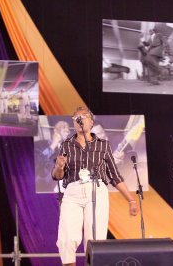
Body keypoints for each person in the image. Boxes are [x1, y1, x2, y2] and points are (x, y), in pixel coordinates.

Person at [52, 107, 139, 266]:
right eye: (76, 117)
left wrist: (131, 200)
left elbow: (114, 175)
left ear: (91, 122)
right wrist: (59, 167)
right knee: (66, 238)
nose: (79, 119)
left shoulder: (103, 145)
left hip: (96, 190)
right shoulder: (66, 145)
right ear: (73, 123)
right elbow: (57, 176)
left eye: (83, 116)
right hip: (72, 191)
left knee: (95, 239)